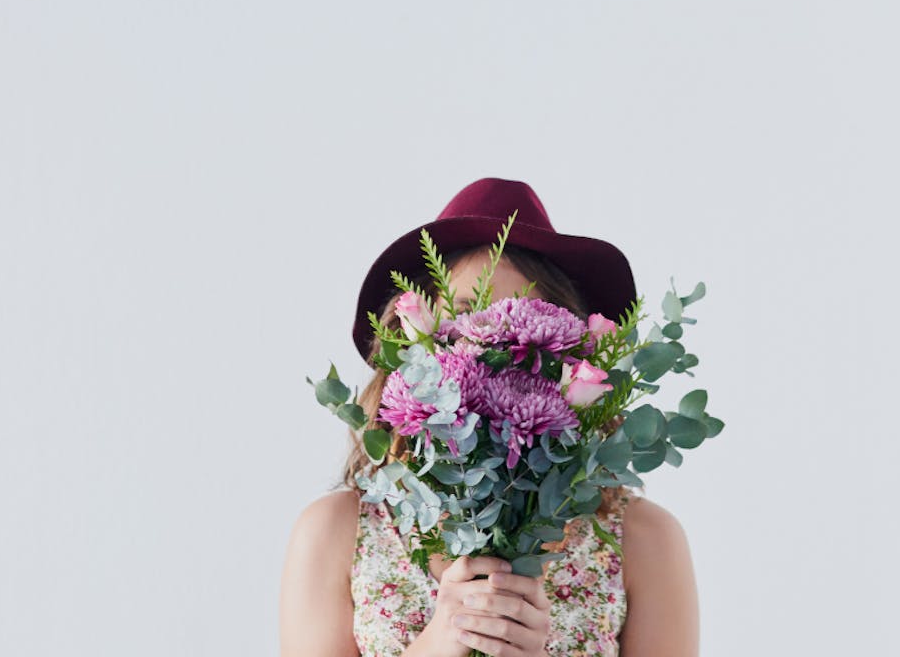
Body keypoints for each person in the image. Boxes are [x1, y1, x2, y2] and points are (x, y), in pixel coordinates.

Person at [280, 178, 700, 656]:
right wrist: (441, 644)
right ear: (410, 344)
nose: (491, 354)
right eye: (464, 319)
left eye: (521, 329)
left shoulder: (644, 543)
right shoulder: (337, 533)